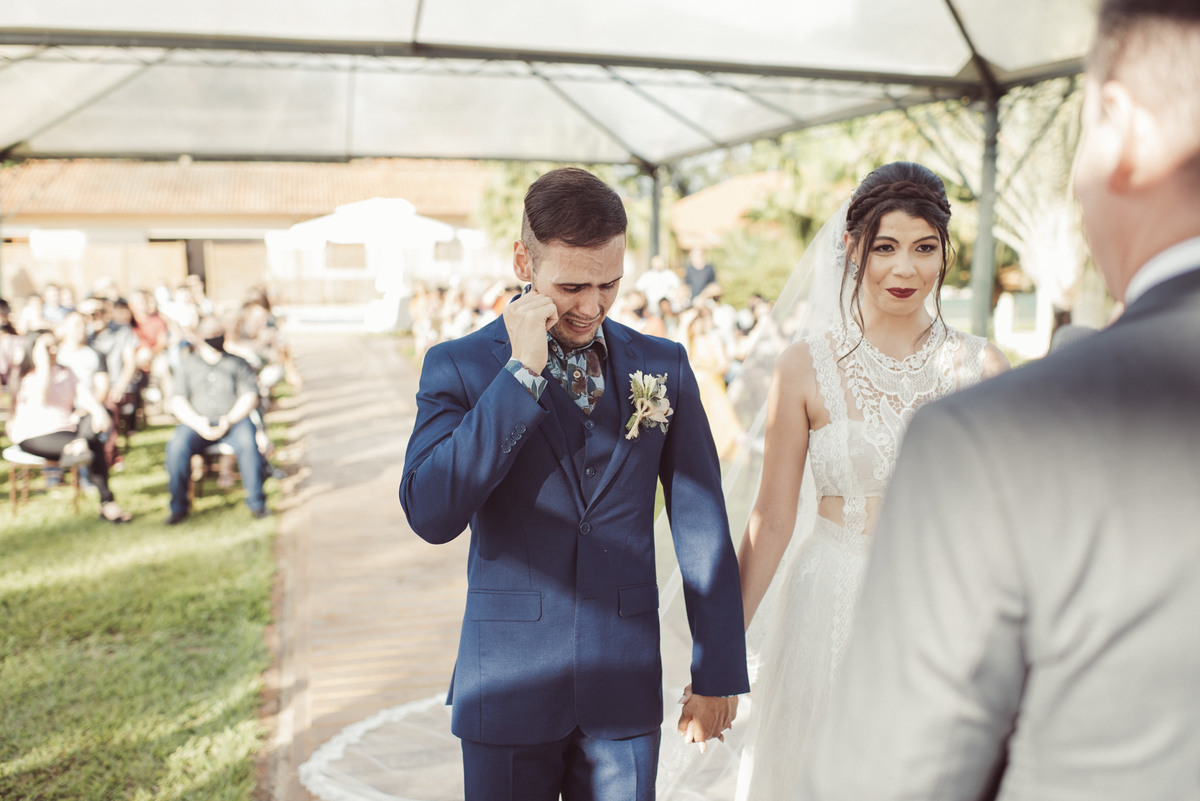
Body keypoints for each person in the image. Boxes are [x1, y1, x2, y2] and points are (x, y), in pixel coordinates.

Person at [798, 3, 1200, 800]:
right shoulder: (809, 369)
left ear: (1119, 124)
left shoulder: (995, 433)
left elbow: (896, 777)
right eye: (884, 247)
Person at [398, 166, 748, 801]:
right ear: (522, 261)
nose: (591, 306)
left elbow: (700, 521)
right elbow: (431, 512)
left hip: (625, 685)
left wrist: (717, 668)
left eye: (609, 284)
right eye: (572, 286)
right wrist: (519, 377)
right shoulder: (460, 366)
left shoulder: (662, 366)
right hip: (506, 679)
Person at [661, 162, 1008, 800]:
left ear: (945, 255)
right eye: (886, 248)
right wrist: (717, 667)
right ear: (852, 250)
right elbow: (769, 526)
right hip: (829, 607)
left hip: (941, 613)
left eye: (924, 248)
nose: (905, 269)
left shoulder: (980, 366)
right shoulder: (805, 369)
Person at [5, 330, 131, 523]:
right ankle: (107, 502)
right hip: (35, 435)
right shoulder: (26, 376)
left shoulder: (66, 371)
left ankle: (106, 499)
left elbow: (86, 398)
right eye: (47, 347)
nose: (53, 350)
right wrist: (44, 365)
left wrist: (99, 413)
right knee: (94, 445)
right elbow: (41, 396)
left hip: (67, 432)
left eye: (54, 345)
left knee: (92, 420)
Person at [164, 315, 270, 524]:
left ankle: (257, 503)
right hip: (197, 424)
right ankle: (178, 507)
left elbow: (249, 396)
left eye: (218, 333)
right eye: (211, 334)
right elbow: (178, 400)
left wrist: (229, 420)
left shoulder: (237, 363)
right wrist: (198, 423)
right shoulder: (188, 365)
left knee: (249, 445)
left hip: (233, 422)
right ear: (201, 336)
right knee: (176, 447)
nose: (216, 338)